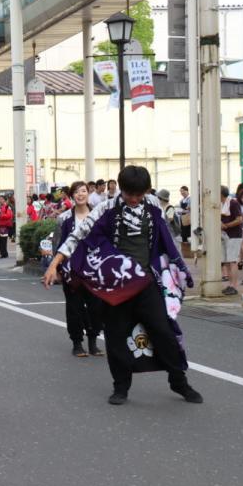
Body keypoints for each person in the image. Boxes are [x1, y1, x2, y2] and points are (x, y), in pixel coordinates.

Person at [43, 165, 202, 406]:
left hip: (147, 281)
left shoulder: (153, 207)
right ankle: (121, 386)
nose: (134, 199)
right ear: (121, 189)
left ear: (146, 191)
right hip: (117, 284)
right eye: (130, 194)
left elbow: (167, 239)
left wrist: (177, 267)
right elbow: (78, 235)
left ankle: (178, 381)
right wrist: (55, 263)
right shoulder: (106, 208)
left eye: (139, 194)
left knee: (163, 331)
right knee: (116, 336)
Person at [54, 182, 103, 357]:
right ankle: (77, 342)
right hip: (71, 270)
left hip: (94, 269)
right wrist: (57, 268)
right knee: (74, 307)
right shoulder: (64, 218)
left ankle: (93, 341)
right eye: (76, 192)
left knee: (96, 307)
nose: (80, 194)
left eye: (83, 191)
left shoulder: (99, 215)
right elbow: (58, 244)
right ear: (71, 196)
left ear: (88, 193)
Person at [219, 186, 242, 295]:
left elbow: (239, 219)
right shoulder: (221, 204)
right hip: (224, 235)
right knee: (227, 262)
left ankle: (234, 286)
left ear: (221, 194)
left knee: (232, 261)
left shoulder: (233, 203)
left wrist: (226, 225)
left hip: (234, 235)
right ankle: (230, 285)